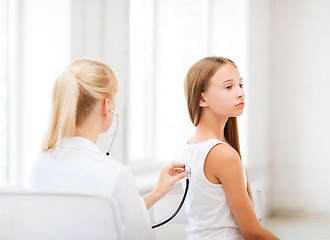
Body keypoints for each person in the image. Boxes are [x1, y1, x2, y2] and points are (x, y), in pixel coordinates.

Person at [29, 59, 187, 240]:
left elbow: (97, 219)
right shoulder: (115, 174)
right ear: (106, 106)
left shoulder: (40, 165)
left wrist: (157, 193)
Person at [182, 56, 279, 240]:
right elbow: (253, 233)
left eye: (240, 85)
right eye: (228, 87)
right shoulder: (222, 154)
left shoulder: (190, 147)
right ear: (202, 98)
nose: (240, 93)